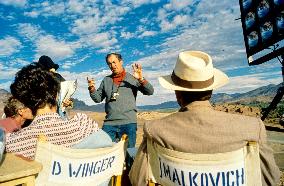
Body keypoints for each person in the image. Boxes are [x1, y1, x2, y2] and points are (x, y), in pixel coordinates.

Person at [129, 50, 280, 186]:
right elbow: (269, 180)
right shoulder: (252, 128)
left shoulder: (155, 130)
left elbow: (138, 180)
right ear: (211, 89)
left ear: (177, 93)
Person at [5, 63, 112, 160]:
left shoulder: (13, 143)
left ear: (25, 103)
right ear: (56, 95)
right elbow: (108, 146)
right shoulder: (83, 126)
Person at [87, 53, 154, 148]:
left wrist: (141, 79)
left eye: (114, 62)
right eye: (109, 63)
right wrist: (92, 88)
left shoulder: (132, 78)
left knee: (128, 155)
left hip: (128, 123)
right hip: (109, 124)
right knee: (106, 153)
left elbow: (150, 91)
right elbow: (97, 99)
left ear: (121, 62)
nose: (112, 65)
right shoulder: (106, 80)